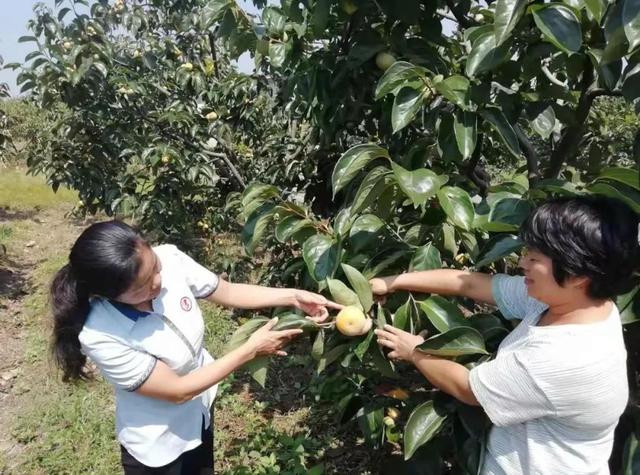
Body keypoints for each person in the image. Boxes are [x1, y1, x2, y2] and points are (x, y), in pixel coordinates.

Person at [371, 195, 638, 474]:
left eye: (534, 257)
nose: (522, 262)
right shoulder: (580, 303)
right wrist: (393, 282)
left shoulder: (563, 358)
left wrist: (415, 351)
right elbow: (471, 284)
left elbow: (469, 389)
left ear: (577, 274)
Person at [50, 220, 340, 474]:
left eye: (156, 267)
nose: (159, 282)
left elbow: (227, 291)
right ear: (108, 294)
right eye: (143, 286)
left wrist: (293, 296)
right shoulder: (101, 333)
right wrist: (250, 350)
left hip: (199, 413)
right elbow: (178, 391)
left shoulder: (171, 259)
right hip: (158, 442)